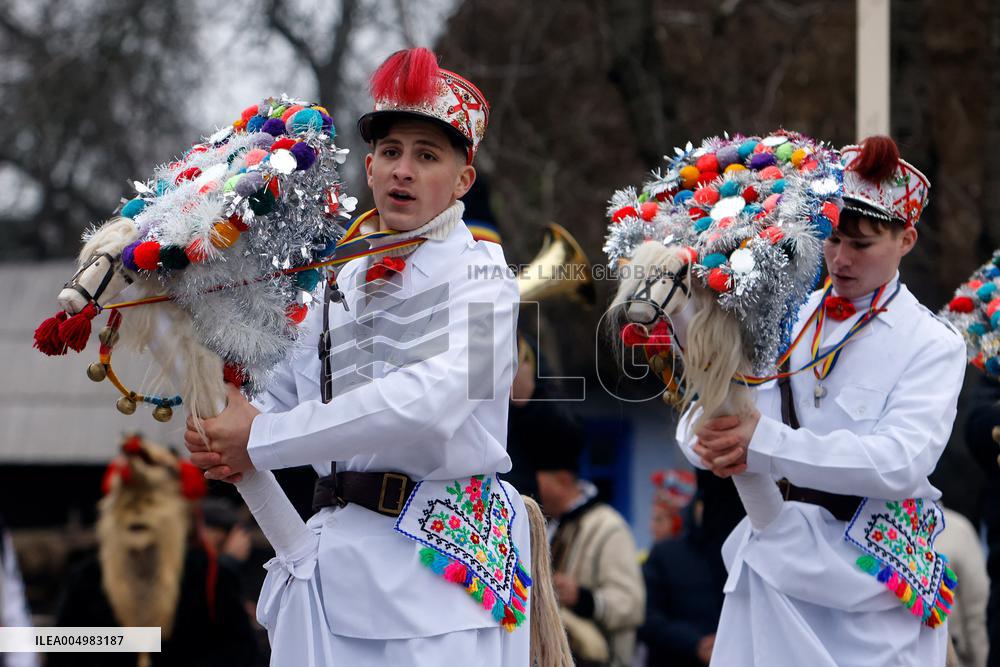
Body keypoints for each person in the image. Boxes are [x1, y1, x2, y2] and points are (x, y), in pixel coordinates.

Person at [183, 48, 545, 665]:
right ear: (371, 167)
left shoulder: (488, 276)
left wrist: (260, 437)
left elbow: (434, 405)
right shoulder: (337, 279)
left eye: (427, 156)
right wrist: (219, 412)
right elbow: (279, 400)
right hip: (329, 564)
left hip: (437, 582)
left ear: (463, 180)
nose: (403, 170)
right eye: (391, 152)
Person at [682, 135, 966, 665]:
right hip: (775, 551)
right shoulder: (786, 312)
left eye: (861, 245)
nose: (839, 258)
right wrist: (705, 441)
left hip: (872, 577)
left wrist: (762, 443)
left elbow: (900, 462)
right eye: (832, 238)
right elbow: (720, 401)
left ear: (907, 239)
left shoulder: (932, 343)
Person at [52, 435, 255, 667]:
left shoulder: (208, 576)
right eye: (128, 504)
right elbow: (62, 648)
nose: (138, 515)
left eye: (151, 504)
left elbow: (239, 654)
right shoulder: (86, 579)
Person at [535, 437, 644, 666]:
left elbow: (632, 604)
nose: (535, 491)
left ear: (563, 479)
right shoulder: (553, 524)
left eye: (539, 482)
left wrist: (584, 598)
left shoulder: (608, 527)